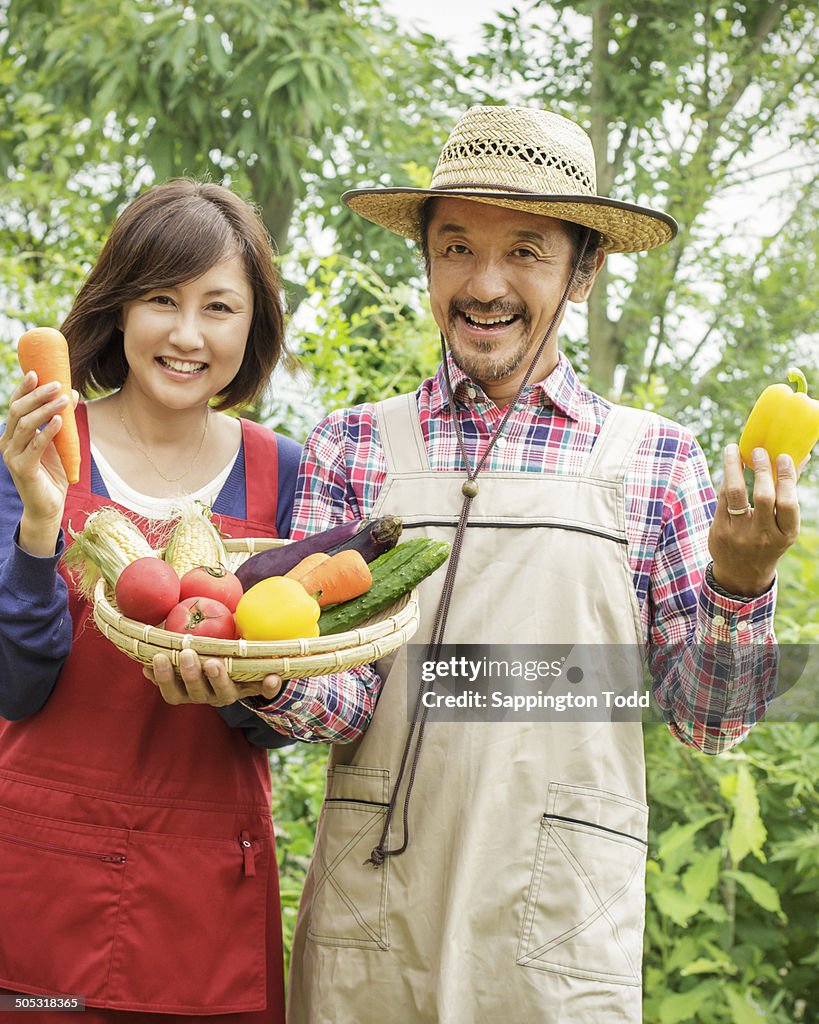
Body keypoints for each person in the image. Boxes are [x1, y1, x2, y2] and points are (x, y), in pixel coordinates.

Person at [269, 106, 802, 1023]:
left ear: (583, 270)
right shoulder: (350, 445)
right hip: (375, 899)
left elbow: (705, 724)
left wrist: (741, 584)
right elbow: (342, 695)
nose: (484, 283)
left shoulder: (656, 460)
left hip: (558, 915)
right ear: (426, 261)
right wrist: (254, 674)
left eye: (525, 250)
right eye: (455, 247)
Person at [0, 180, 304, 1021]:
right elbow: (14, 691)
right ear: (120, 309)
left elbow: (284, 701)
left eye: (218, 306)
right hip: (40, 878)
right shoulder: (36, 457)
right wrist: (37, 520)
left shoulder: (284, 472)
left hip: (204, 885)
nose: (186, 334)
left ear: (253, 327)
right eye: (161, 300)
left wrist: (245, 695)